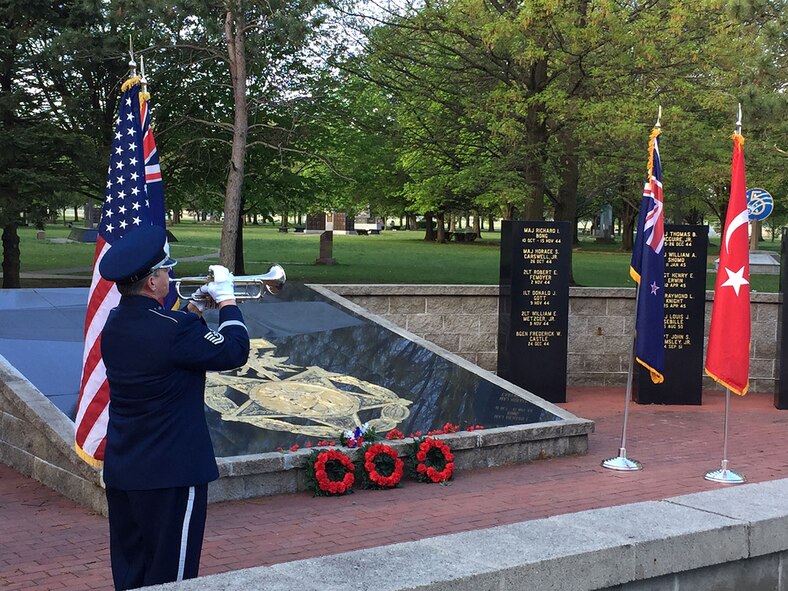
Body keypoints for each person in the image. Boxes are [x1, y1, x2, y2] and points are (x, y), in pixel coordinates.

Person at [98, 224, 250, 590]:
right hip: (172, 474)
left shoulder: (115, 323)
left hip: (125, 469)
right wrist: (227, 300)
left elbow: (167, 340)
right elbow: (235, 350)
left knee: (132, 573)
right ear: (152, 282)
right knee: (173, 579)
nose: (170, 275)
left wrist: (195, 306)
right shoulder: (175, 329)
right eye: (166, 269)